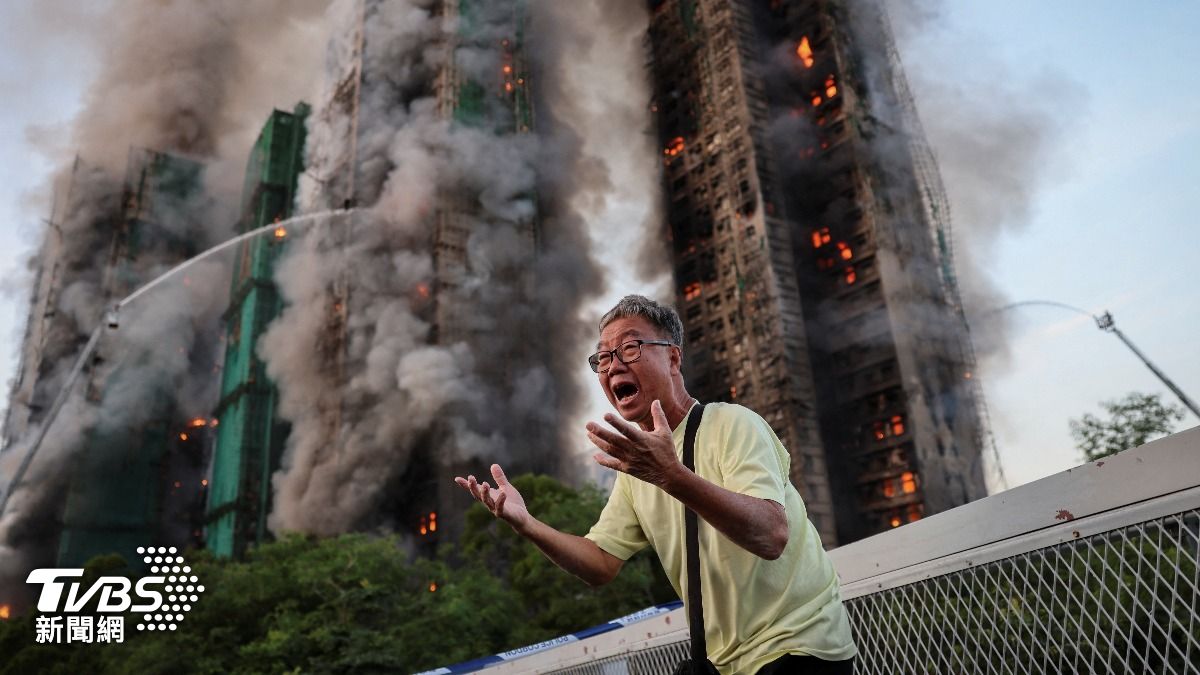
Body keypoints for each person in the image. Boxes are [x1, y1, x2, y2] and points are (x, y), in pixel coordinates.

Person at [455, 295, 857, 674]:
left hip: (799, 648)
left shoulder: (733, 424)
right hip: (723, 663)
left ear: (674, 357)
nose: (613, 366)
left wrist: (671, 475)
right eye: (603, 357)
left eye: (630, 348)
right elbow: (600, 564)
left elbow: (771, 534)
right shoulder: (637, 469)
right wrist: (527, 524)